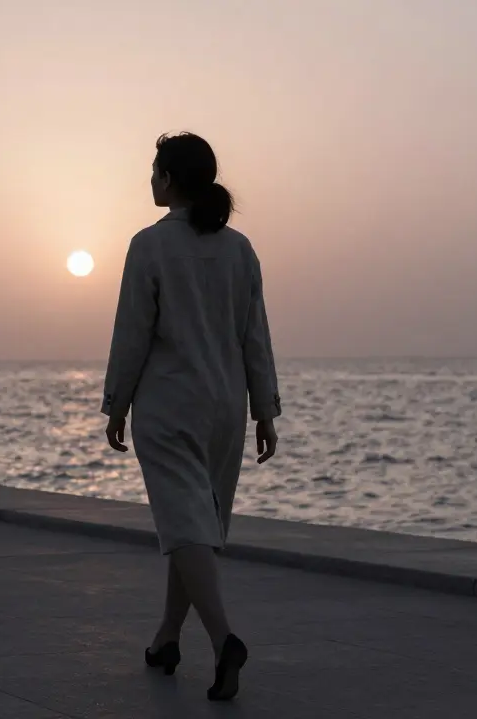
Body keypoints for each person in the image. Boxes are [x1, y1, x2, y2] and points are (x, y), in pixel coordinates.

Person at [101, 132, 281, 702]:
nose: (150, 179)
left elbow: (133, 333)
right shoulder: (240, 249)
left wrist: (117, 403)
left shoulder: (149, 246)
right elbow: (256, 338)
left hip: (169, 406)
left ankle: (225, 638)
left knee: (185, 527)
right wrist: (264, 412)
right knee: (197, 529)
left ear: (171, 179)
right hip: (226, 407)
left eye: (156, 170)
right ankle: (166, 639)